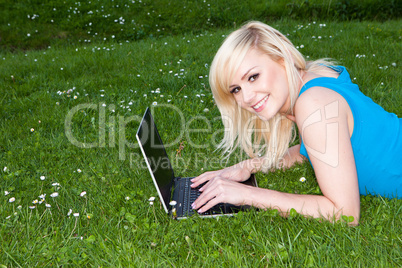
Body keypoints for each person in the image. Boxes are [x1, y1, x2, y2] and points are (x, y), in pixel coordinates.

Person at [190, 21, 402, 225]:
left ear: (284, 58)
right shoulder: (315, 77)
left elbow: (344, 213)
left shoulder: (314, 104)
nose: (246, 98)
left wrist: (247, 194)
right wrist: (249, 166)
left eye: (253, 77)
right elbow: (311, 150)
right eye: (235, 89)